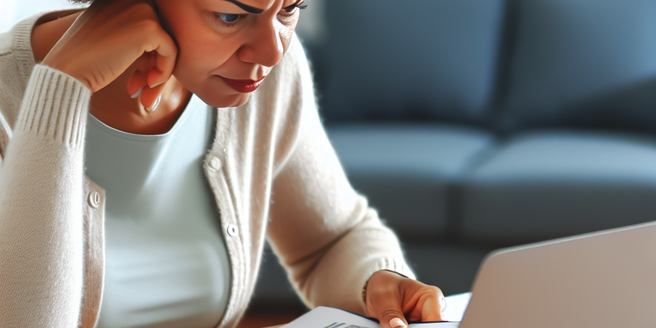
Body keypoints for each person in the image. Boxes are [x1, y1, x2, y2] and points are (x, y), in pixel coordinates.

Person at [0, 0, 447, 327]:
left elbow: (329, 240)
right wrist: (60, 89)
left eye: (291, 9)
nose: (272, 52)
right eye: (231, 17)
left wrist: (376, 280)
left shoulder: (265, 79)